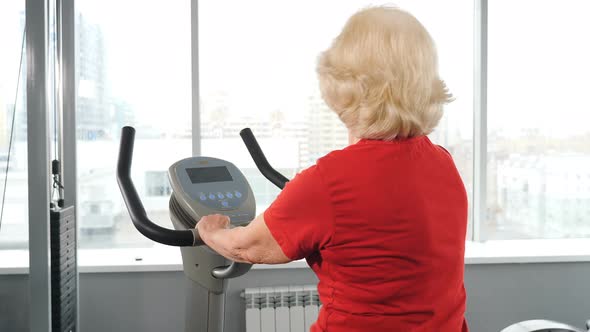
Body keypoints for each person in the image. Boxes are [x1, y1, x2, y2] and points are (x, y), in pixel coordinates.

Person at [196, 5, 469, 332]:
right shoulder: (443, 162)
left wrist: (209, 230)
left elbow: (244, 246)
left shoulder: (329, 182)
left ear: (345, 83)